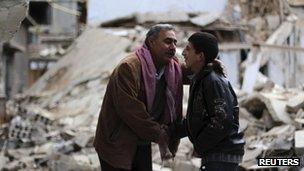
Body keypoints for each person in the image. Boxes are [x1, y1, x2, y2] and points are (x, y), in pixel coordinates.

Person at [93, 24, 183, 171]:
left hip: (141, 141)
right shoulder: (129, 67)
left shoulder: (171, 67)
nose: (173, 47)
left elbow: (191, 70)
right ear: (151, 42)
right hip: (117, 142)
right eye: (168, 41)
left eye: (175, 42)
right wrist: (159, 133)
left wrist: (209, 63)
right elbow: (130, 109)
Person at [172, 32, 245, 171]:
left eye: (188, 49)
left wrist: (200, 145)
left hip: (221, 156)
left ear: (200, 56)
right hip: (216, 156)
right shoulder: (200, 79)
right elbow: (198, 120)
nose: (183, 53)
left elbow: (222, 120)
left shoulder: (212, 81)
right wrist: (172, 131)